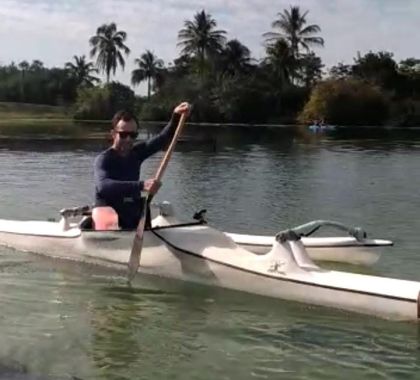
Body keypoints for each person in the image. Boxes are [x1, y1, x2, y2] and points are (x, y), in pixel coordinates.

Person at [93, 102, 190, 229]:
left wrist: (176, 115)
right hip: (109, 223)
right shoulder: (103, 159)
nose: (128, 139)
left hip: (132, 220)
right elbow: (103, 186)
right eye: (123, 135)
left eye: (133, 135)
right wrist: (142, 185)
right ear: (113, 134)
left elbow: (163, 138)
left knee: (136, 207)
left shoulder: (136, 153)